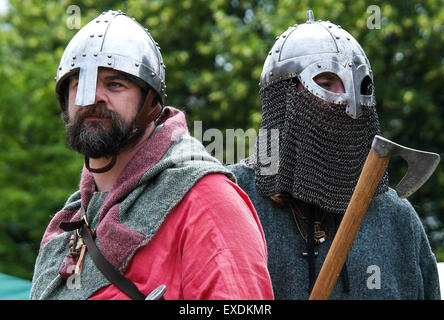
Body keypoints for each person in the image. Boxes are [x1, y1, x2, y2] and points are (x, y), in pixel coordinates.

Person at [29, 10, 273, 300]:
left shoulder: (206, 200)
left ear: (150, 103)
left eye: (115, 84)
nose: (94, 96)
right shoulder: (68, 223)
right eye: (79, 83)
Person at [229, 10, 441, 299]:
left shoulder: (396, 219)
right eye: (326, 84)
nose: (347, 101)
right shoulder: (233, 202)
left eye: (360, 86)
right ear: (284, 96)